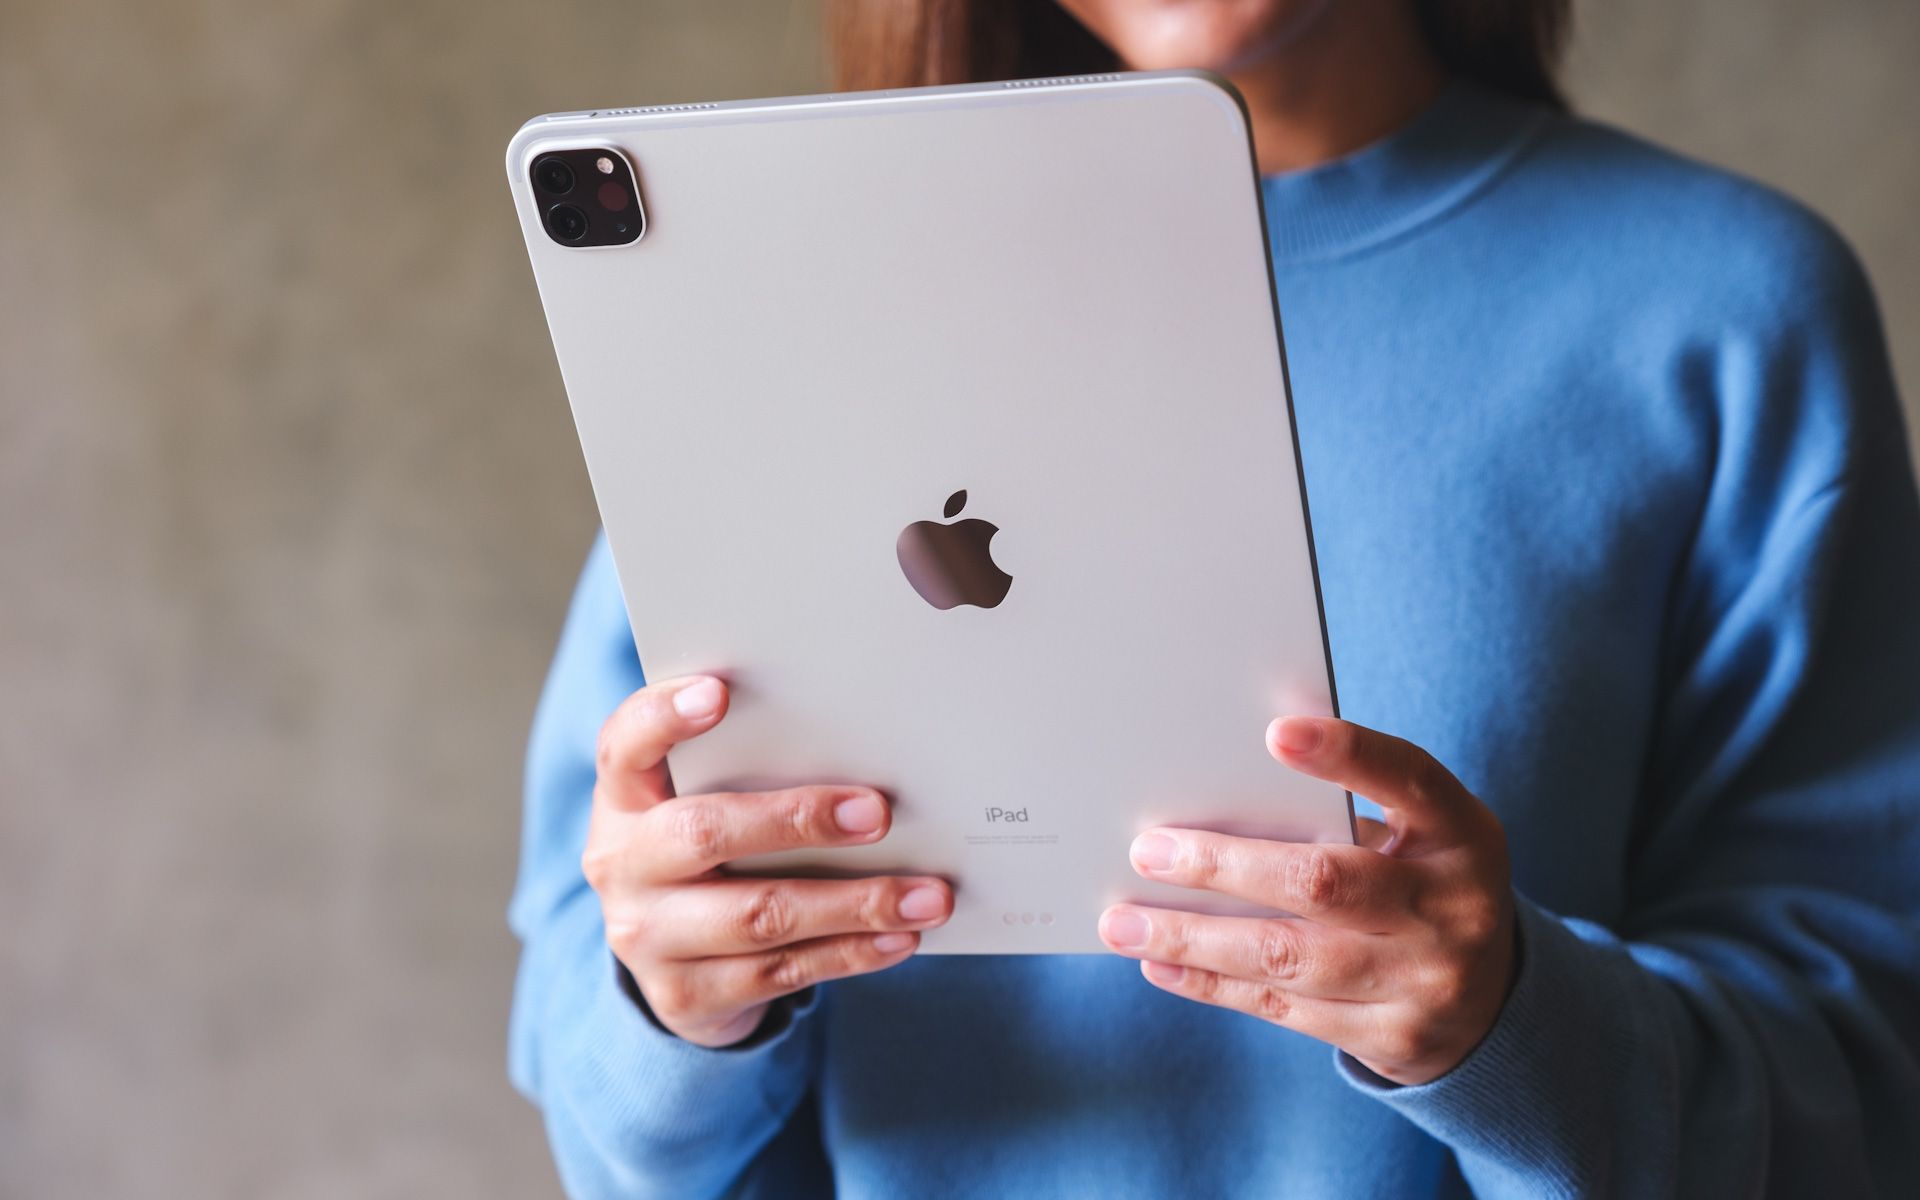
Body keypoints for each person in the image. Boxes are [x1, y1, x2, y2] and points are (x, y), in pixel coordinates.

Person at [508, 1, 1920, 1195]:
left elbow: (1865, 1073)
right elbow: (589, 1059)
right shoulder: (776, 297)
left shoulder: (1719, 311)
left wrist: (1513, 1027)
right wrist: (672, 1012)